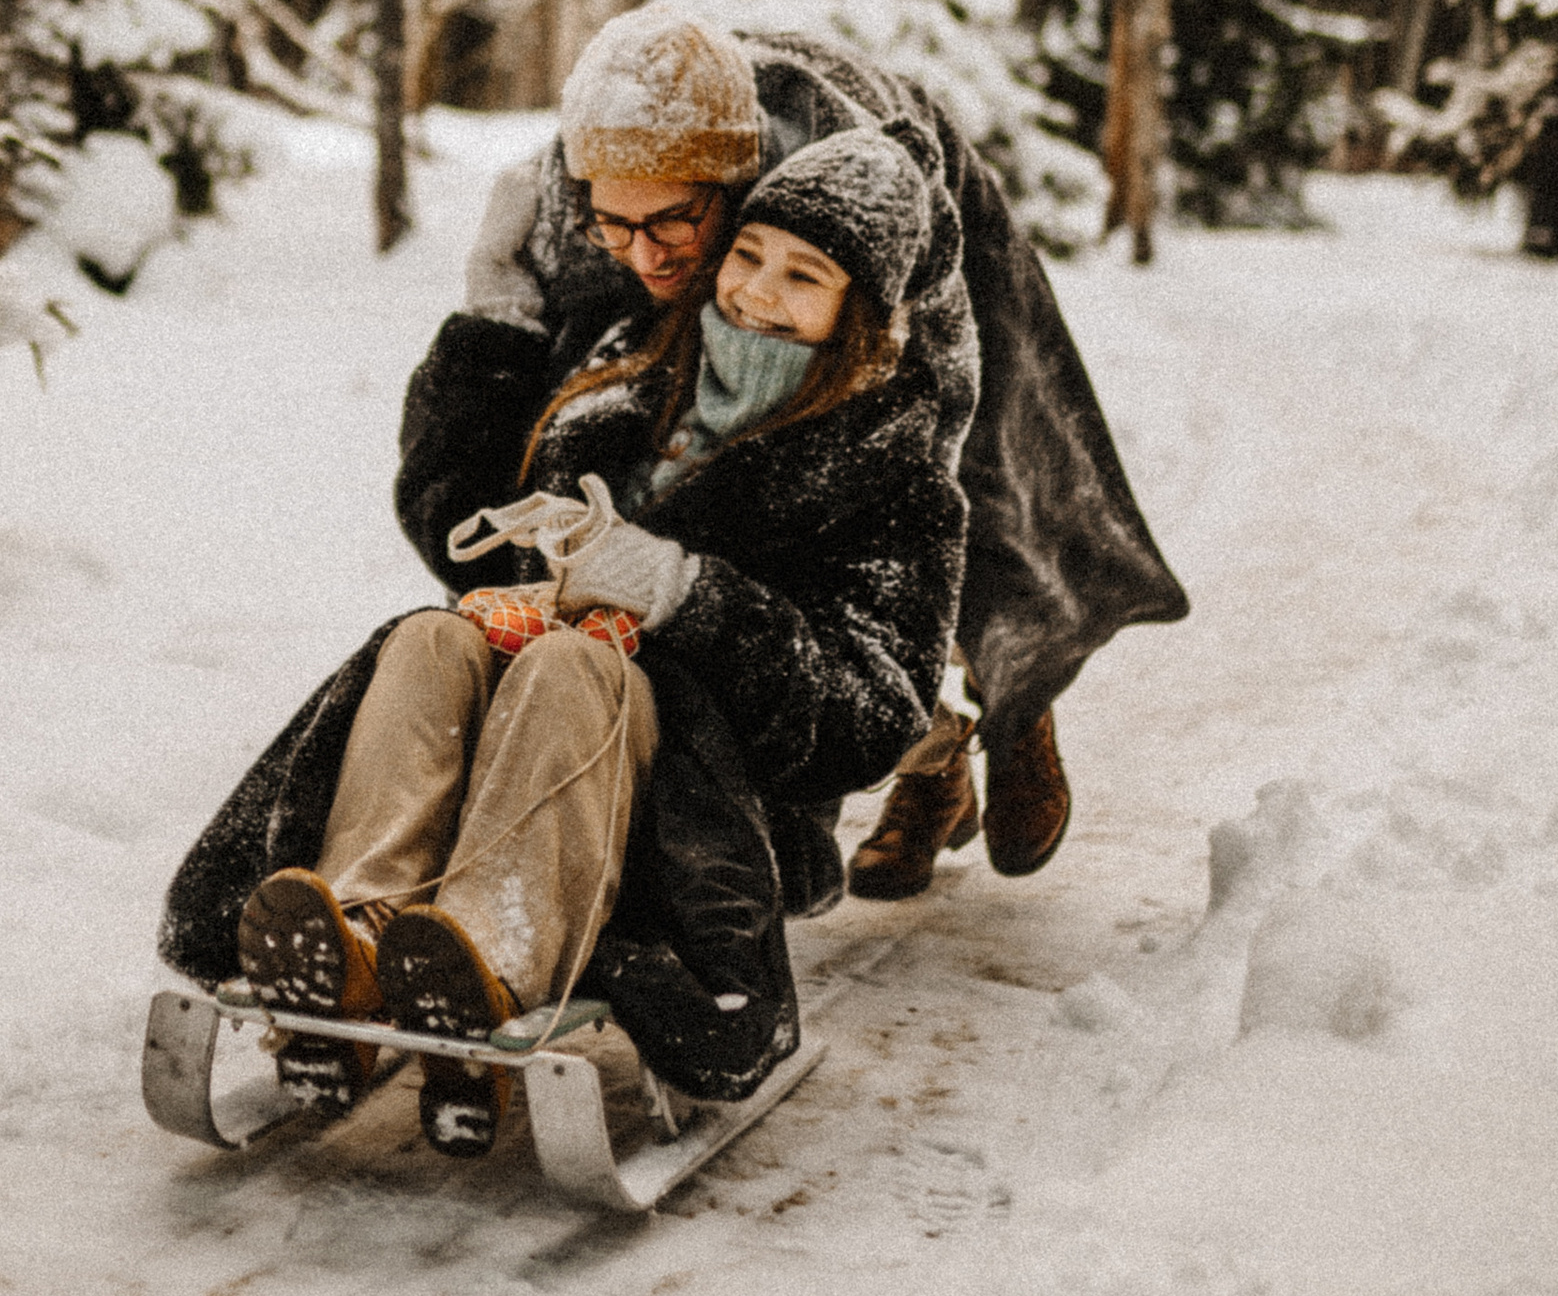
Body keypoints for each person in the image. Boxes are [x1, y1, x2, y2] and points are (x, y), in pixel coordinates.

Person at [159, 132, 965, 1154]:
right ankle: (365, 937)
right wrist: (493, 326)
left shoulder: (893, 483)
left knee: (576, 663)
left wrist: (687, 596)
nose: (757, 291)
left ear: (861, 311)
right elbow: (453, 507)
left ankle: (483, 962)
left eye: (803, 276)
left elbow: (866, 720)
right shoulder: (630, 372)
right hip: (512, 751)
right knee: (430, 642)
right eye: (749, 253)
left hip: (692, 812)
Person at [398, 4, 1186, 899]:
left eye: (670, 228)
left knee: (982, 511)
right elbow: (479, 493)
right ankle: (928, 753)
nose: (638, 253)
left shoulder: (856, 206)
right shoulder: (580, 226)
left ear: (734, 195)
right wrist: (492, 318)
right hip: (700, 212)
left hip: (909, 198)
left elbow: (923, 457)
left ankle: (1002, 719)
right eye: (615, 228)